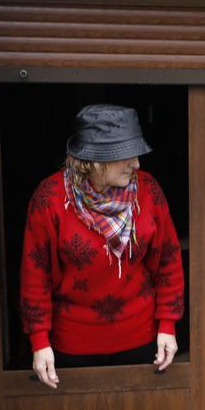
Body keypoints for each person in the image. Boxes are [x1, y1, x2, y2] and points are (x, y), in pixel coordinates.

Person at [19, 104, 184, 388]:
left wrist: (168, 326)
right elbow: (36, 274)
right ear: (95, 162)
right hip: (72, 346)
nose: (137, 164)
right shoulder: (50, 199)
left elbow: (168, 260)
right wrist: (39, 341)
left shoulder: (148, 190)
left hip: (141, 339)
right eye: (127, 155)